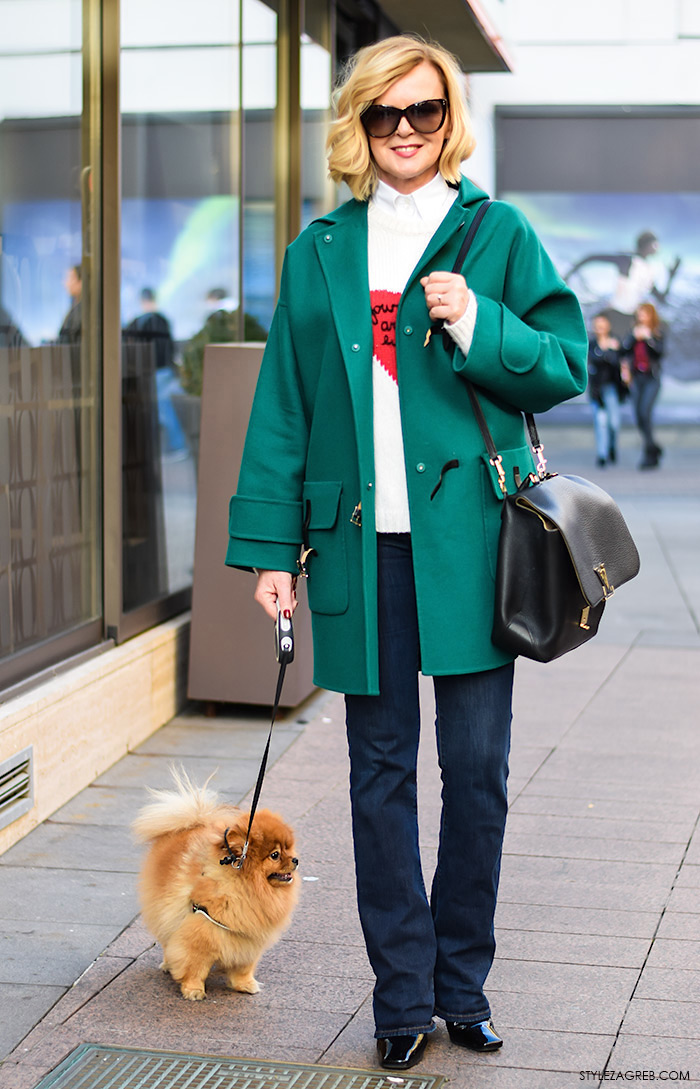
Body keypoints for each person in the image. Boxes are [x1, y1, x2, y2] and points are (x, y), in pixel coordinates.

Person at [225, 35, 587, 1071]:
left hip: (471, 542)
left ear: (448, 118)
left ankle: (459, 986)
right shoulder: (321, 249)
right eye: (383, 115)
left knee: (475, 775)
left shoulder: (495, 232)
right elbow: (283, 411)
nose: (403, 134)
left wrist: (480, 323)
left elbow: (562, 363)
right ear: (358, 123)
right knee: (376, 774)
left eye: (422, 113)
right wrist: (268, 549)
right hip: (356, 547)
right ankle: (399, 996)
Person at [621, 301, 665, 470]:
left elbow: (660, 353)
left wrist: (648, 339)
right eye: (639, 314)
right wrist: (634, 337)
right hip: (637, 378)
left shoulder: (658, 333)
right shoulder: (633, 332)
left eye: (644, 314)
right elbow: (624, 351)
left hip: (652, 378)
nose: (641, 317)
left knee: (645, 412)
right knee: (638, 415)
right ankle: (654, 447)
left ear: (651, 316)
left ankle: (649, 453)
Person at [587, 313, 625, 467]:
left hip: (612, 387)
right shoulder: (592, 345)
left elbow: (617, 362)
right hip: (597, 388)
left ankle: (611, 447)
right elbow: (594, 360)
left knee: (614, 423)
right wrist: (607, 352)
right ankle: (602, 455)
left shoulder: (616, 342)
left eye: (602, 324)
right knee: (600, 421)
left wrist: (610, 352)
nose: (599, 328)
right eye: (597, 324)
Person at [58, 264, 82, 344]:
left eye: (71, 279)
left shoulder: (81, 311)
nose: (66, 283)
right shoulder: (76, 308)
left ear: (81, 282)